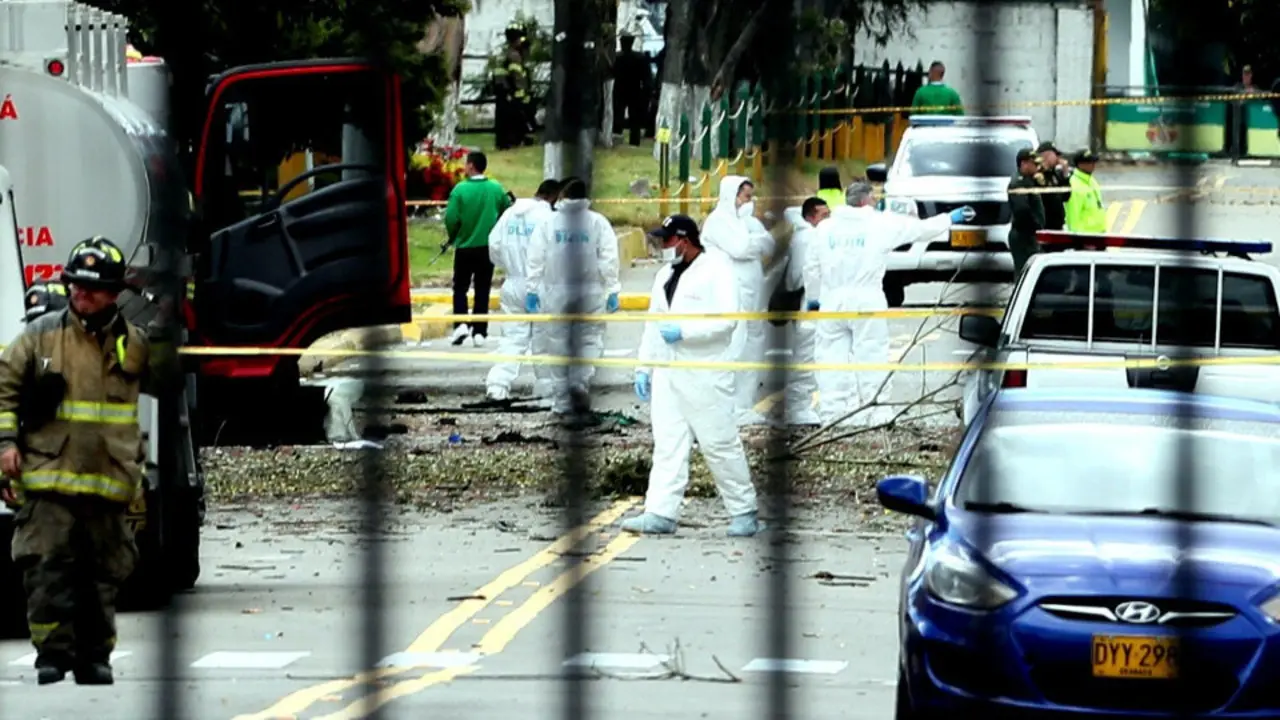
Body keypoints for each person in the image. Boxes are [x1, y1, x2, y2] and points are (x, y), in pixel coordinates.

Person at [0, 237, 147, 686]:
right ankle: (51, 654)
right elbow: (3, 389)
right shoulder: (39, 336)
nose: (82, 294)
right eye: (76, 285)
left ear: (115, 292)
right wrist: (6, 443)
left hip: (108, 480)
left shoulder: (133, 345)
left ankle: (94, 658)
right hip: (49, 478)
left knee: (103, 576)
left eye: (94, 287)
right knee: (45, 568)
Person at [624, 215, 760, 537]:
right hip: (668, 372)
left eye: (666, 240)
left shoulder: (718, 270)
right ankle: (660, 511)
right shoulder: (664, 275)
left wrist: (685, 332)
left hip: (705, 370)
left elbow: (727, 321)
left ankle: (744, 510)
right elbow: (654, 325)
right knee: (668, 443)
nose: (661, 246)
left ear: (683, 240)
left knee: (720, 442)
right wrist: (645, 366)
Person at [805, 183, 973, 427]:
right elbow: (920, 230)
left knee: (831, 359)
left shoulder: (825, 228)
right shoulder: (880, 223)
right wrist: (950, 217)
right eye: (873, 198)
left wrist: (814, 298)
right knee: (871, 356)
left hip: (832, 300)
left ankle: (832, 416)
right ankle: (876, 413)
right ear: (866, 200)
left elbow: (811, 267)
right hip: (866, 300)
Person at [525, 178, 621, 414]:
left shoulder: (550, 223)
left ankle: (561, 400)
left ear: (563, 197)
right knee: (590, 339)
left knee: (557, 344)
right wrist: (612, 288)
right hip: (590, 293)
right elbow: (609, 259)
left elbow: (535, 257)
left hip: (556, 293)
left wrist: (531, 288)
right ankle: (580, 381)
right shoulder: (597, 222)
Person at [700, 175, 775, 425]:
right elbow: (740, 248)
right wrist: (754, 243)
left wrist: (752, 242)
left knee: (753, 349)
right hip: (729, 295)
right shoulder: (718, 222)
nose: (749, 202)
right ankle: (724, 407)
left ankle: (744, 405)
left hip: (753, 295)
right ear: (731, 195)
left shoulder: (748, 223)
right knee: (733, 347)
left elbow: (769, 244)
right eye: (745, 196)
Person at [484, 179, 560, 401]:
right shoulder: (549, 218)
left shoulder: (510, 215)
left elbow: (494, 246)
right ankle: (546, 387)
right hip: (541, 286)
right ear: (553, 198)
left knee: (511, 339)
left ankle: (497, 386)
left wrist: (511, 265)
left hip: (513, 283)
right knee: (543, 341)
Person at [445, 151, 511, 347]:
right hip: (487, 248)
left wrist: (453, 236)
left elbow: (451, 218)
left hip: (465, 247)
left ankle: (461, 324)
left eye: (466, 164)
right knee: (482, 289)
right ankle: (480, 331)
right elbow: (506, 211)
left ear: (471, 166)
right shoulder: (496, 188)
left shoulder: (459, 190)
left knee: (460, 288)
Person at [775, 197, 829, 426]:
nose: (828, 219)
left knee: (818, 357)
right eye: (823, 215)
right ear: (810, 217)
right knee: (806, 357)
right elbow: (796, 277)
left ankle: (806, 407)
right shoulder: (806, 238)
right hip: (809, 305)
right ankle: (797, 408)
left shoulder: (815, 236)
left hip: (820, 303)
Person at [1008, 148, 1047, 274]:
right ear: (1023, 164)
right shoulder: (1018, 183)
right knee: (1024, 272)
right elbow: (1022, 210)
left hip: (1029, 235)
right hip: (1023, 236)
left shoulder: (1029, 180)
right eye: (1034, 164)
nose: (1037, 166)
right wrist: (1036, 225)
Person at [494, 23, 532, 150]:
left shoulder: (504, 54)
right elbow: (517, 77)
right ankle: (513, 141)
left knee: (504, 121)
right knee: (512, 121)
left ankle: (505, 142)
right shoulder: (514, 56)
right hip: (512, 95)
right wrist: (522, 95)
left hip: (503, 94)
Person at [612, 33, 651, 147]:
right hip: (634, 90)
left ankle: (617, 137)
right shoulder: (640, 58)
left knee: (619, 115)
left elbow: (612, 72)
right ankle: (634, 140)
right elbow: (646, 76)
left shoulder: (618, 58)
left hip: (621, 89)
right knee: (634, 117)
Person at [1065, 148, 1106, 234]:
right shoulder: (1074, 185)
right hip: (1084, 237)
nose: (1093, 165)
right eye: (1089, 162)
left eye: (1094, 162)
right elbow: (1073, 215)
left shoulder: (1092, 181)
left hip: (1098, 234)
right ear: (1080, 164)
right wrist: (1075, 237)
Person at [1035, 141, 1072, 231]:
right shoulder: (1038, 174)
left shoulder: (1054, 173)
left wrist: (1065, 174)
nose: (1059, 158)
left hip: (1057, 225)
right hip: (1045, 225)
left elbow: (1066, 196)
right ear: (1047, 155)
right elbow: (1048, 199)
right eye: (1056, 155)